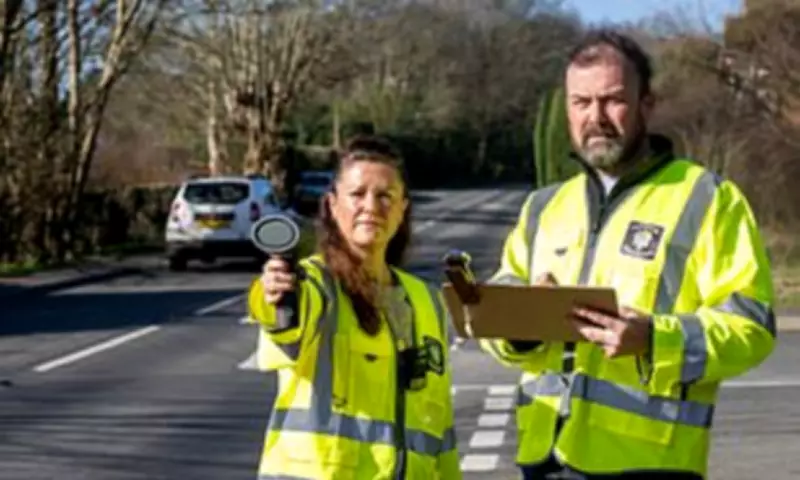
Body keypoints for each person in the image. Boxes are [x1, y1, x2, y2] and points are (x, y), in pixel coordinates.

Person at [479, 29, 776, 479]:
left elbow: (751, 324)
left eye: (612, 100)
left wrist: (656, 339)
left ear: (646, 105)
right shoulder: (543, 207)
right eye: (581, 103)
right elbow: (499, 304)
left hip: (649, 464)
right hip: (546, 460)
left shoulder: (707, 199)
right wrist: (522, 328)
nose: (595, 117)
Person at [247, 135, 462, 479]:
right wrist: (273, 294)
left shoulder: (427, 300)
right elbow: (283, 319)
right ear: (333, 204)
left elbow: (440, 420)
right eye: (357, 194)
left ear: (403, 207)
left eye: (385, 196)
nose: (371, 207)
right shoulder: (316, 283)